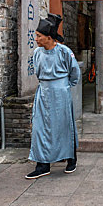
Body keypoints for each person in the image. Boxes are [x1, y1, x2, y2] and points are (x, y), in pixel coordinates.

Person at [26, 14, 81, 179]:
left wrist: (63, 87)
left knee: (64, 126)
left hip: (60, 93)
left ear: (49, 37)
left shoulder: (64, 51)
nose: (36, 39)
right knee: (40, 128)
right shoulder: (37, 53)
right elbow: (37, 72)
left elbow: (74, 73)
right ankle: (42, 164)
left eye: (39, 36)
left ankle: (71, 159)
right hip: (43, 93)